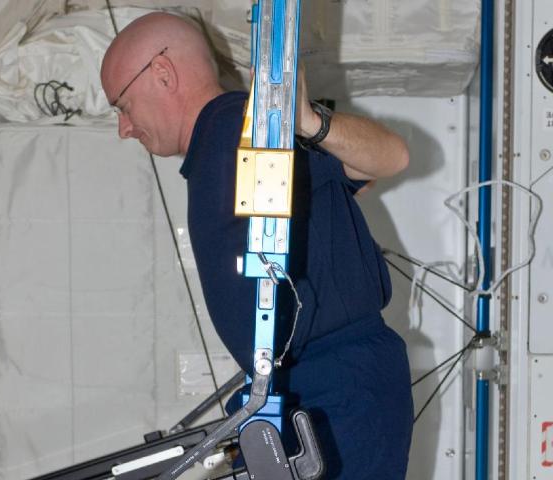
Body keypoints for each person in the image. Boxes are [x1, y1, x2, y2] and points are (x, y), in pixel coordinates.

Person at [101, 12, 413, 480]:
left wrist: (310, 122)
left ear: (162, 74)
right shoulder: (217, 145)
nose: (124, 127)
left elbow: (392, 156)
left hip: (336, 391)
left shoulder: (245, 129)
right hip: (311, 392)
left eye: (121, 105)